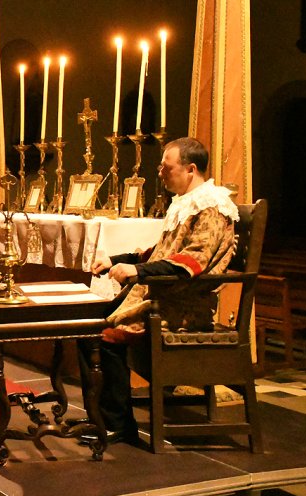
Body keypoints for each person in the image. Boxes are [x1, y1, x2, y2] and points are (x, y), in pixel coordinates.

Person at [78, 137, 240, 444]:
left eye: (166, 166)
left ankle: (117, 424)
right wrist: (116, 261)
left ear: (190, 169)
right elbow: (159, 252)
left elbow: (192, 261)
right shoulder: (187, 204)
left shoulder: (211, 208)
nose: (160, 172)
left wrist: (137, 272)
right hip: (159, 295)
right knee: (84, 323)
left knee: (104, 337)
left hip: (180, 304)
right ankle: (101, 414)